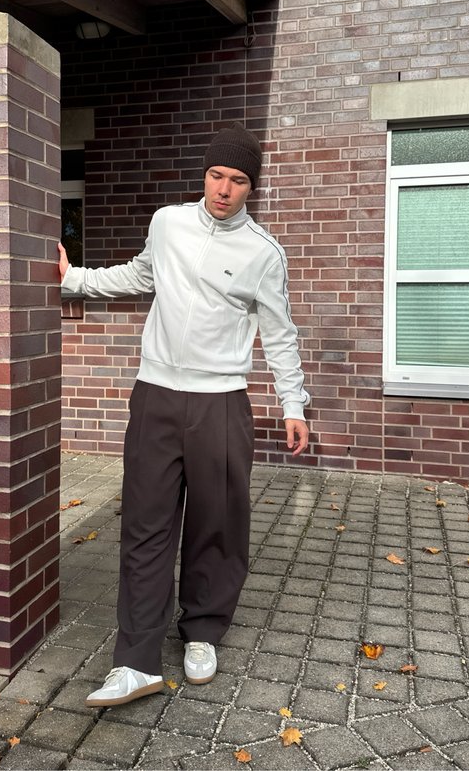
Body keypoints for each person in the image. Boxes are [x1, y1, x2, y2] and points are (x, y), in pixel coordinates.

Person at [58, 122, 309, 708]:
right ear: (205, 175)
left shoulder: (264, 254)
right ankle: (136, 662)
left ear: (252, 188)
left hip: (222, 403)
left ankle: (203, 631)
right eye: (217, 175)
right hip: (156, 396)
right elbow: (142, 274)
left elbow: (280, 334)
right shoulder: (168, 222)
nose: (224, 189)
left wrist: (292, 404)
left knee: (216, 525)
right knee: (145, 525)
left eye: (238, 181)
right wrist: (74, 280)